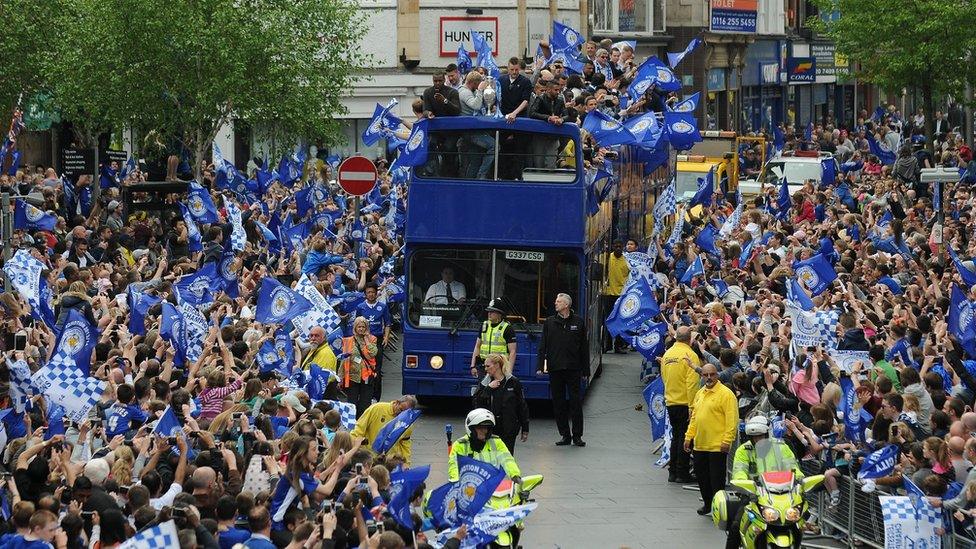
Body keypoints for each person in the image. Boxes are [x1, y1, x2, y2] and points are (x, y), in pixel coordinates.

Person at [726, 416, 802, 549]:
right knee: (736, 526)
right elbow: (739, 471)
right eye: (754, 437)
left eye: (760, 436)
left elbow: (793, 467)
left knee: (798, 523)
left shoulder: (781, 447)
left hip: (782, 495)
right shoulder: (743, 450)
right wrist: (744, 485)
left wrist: (801, 481)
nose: (757, 440)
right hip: (753, 495)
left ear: (767, 433)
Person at [684, 363, 738, 516]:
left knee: (716, 479)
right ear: (702, 376)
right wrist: (689, 437)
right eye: (706, 375)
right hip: (700, 444)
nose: (709, 378)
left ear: (717, 375)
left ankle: (719, 508)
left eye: (712, 374)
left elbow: (731, 420)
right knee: (702, 477)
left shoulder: (726, 394)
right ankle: (708, 504)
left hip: (717, 445)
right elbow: (694, 418)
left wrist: (727, 440)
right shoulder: (700, 393)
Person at [537, 292, 588, 447]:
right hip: (555, 369)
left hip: (573, 369)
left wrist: (585, 371)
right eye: (556, 301)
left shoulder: (578, 322)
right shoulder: (550, 322)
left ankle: (577, 436)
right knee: (558, 403)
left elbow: (584, 349)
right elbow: (543, 346)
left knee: (575, 403)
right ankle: (565, 435)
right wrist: (540, 366)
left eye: (558, 301)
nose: (555, 303)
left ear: (566, 305)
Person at [661, 326, 701, 484]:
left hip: (671, 401)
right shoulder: (690, 356)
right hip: (685, 403)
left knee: (676, 436)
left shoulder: (667, 354)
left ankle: (673, 471)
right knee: (685, 438)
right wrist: (692, 406)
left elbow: (664, 377)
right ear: (689, 339)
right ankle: (681, 472)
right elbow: (692, 384)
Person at [473, 354, 530, 455]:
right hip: (491, 428)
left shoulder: (513, 382)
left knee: (507, 457)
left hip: (509, 428)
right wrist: (488, 389)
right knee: (491, 457)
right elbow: (477, 403)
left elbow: (522, 406)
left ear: (497, 365)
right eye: (484, 366)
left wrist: (525, 428)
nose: (485, 369)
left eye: (488, 366)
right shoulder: (485, 382)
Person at [448, 408, 521, 482]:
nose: (485, 431)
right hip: (468, 487)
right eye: (480, 428)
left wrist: (515, 475)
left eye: (487, 428)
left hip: (492, 486)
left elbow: (507, 459)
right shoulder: (460, 445)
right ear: (471, 429)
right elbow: (454, 466)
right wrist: (455, 481)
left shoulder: (496, 442)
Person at [350, 395, 418, 464]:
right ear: (397, 402)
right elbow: (358, 429)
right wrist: (353, 449)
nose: (401, 415)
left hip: (389, 461)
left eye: (405, 414)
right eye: (401, 410)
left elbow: (405, 444)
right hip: (368, 457)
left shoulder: (406, 422)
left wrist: (406, 463)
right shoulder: (377, 408)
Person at [355, 283, 391, 401]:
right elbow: (357, 324)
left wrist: (386, 337)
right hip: (363, 340)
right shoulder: (361, 307)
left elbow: (387, 323)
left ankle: (376, 396)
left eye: (373, 292)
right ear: (365, 294)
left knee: (377, 369)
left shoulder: (383, 306)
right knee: (363, 366)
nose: (371, 294)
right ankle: (364, 394)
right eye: (368, 292)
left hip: (378, 340)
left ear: (376, 293)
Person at [340, 316, 378, 418]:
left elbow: (373, 353)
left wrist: (366, 339)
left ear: (366, 328)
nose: (361, 329)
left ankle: (362, 423)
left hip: (367, 376)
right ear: (355, 328)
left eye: (363, 327)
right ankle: (352, 424)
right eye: (359, 327)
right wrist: (340, 377)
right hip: (353, 377)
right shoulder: (348, 341)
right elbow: (344, 360)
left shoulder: (372, 339)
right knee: (352, 404)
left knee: (365, 404)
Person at [469, 298, 517, 379]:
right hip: (484, 367)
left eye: (492, 311)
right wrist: (473, 365)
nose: (489, 314)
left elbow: (513, 352)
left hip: (499, 367)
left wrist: (509, 372)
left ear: (500, 314)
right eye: (488, 311)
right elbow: (477, 346)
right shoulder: (484, 326)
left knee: (498, 390)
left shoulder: (507, 328)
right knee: (483, 390)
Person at [602, 240, 630, 353]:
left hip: (622, 295)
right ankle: (607, 345)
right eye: (616, 246)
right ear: (613, 246)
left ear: (623, 247)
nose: (618, 248)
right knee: (608, 320)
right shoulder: (607, 258)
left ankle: (618, 345)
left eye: (620, 246)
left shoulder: (627, 261)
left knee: (620, 321)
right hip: (608, 294)